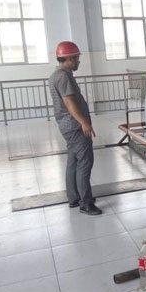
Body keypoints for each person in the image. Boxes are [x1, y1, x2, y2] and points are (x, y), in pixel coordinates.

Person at [48, 41, 102, 215]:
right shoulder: (63, 76)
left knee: (73, 161)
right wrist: (84, 122)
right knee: (85, 162)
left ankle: (74, 198)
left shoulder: (57, 75)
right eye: (77, 58)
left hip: (67, 126)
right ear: (70, 58)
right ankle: (86, 203)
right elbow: (69, 102)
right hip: (75, 126)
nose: (79, 61)